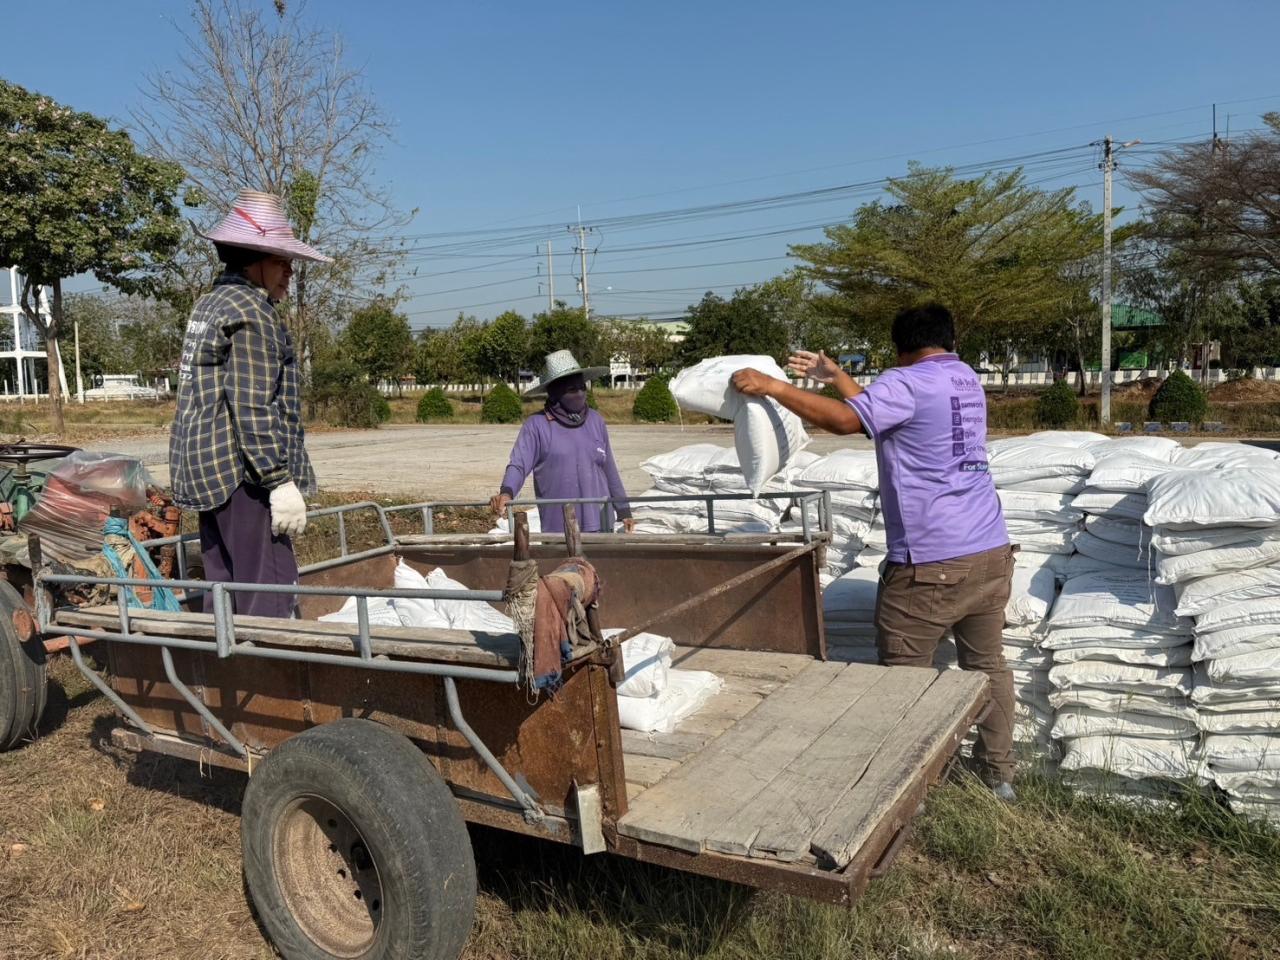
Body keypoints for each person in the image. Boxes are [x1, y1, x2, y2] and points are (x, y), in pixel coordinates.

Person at [731, 303, 1016, 799]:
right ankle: (999, 776)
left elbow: (846, 422)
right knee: (988, 667)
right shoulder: (964, 378)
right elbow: (877, 412)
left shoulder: (904, 380)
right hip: (989, 551)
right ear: (948, 339)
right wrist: (839, 376)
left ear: (902, 349)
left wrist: (773, 386)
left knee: (904, 683)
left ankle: (914, 792)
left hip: (932, 563)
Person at [169, 190, 331, 618]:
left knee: (224, 588)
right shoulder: (252, 312)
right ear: (253, 258)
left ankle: (226, 679)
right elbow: (252, 405)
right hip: (244, 478)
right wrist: (278, 480)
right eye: (282, 262)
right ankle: (269, 684)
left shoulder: (210, 303)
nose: (290, 273)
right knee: (268, 596)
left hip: (208, 473)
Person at [490, 350, 633, 535]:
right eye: (572, 389)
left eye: (583, 387)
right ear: (556, 392)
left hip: (601, 524)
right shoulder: (537, 426)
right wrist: (506, 492)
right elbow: (518, 465)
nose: (580, 393)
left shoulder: (596, 421)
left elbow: (609, 469)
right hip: (558, 530)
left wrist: (623, 510)